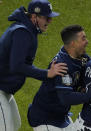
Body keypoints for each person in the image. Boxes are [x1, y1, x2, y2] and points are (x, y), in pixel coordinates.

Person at [27, 25, 91, 131]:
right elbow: (66, 98)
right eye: (83, 38)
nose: (87, 41)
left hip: (60, 117)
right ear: (73, 43)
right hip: (46, 119)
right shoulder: (62, 65)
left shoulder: (79, 56)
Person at [0, 0, 67, 131]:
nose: (50, 21)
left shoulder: (26, 30)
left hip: (5, 90)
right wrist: (47, 74)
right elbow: (17, 66)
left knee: (15, 124)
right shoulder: (22, 33)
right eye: (46, 18)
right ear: (34, 16)